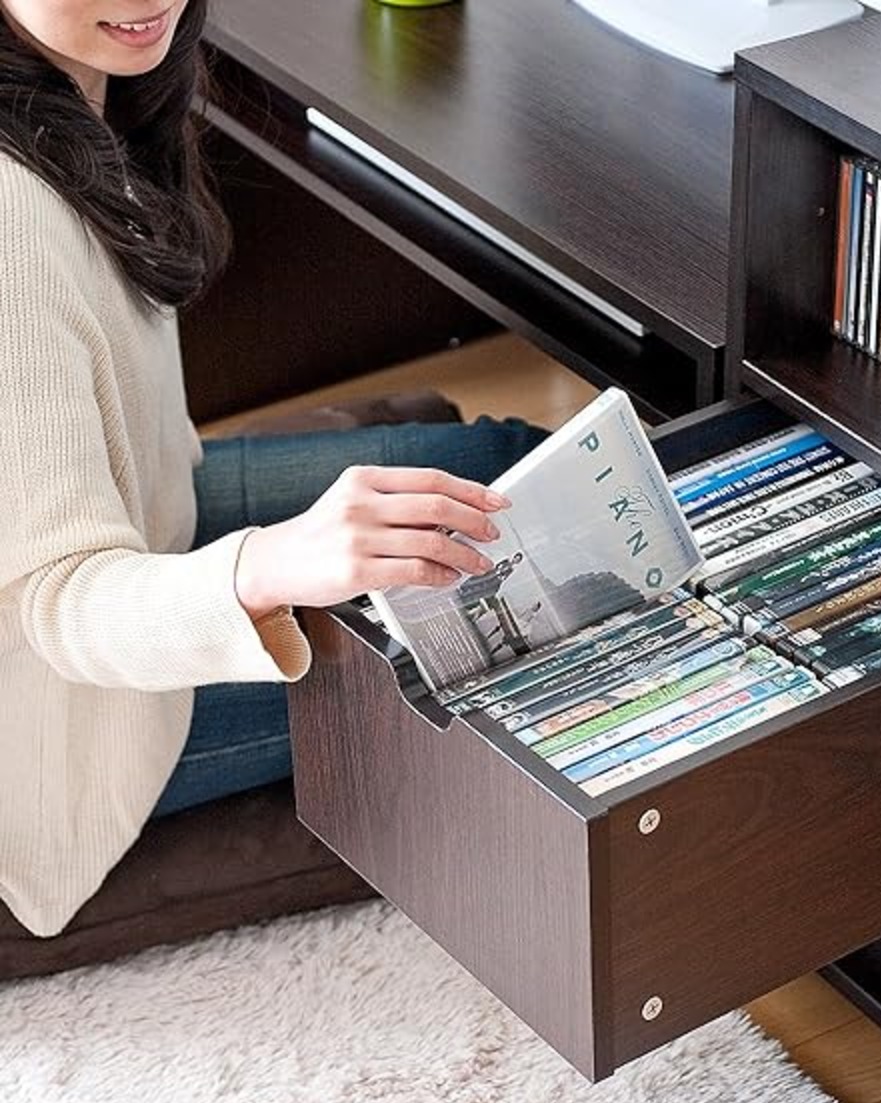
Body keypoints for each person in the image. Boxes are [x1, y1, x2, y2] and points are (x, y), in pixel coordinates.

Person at [0, 0, 544, 937]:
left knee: (512, 482)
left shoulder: (81, 94)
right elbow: (58, 605)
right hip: (52, 711)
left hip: (153, 506)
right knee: (471, 629)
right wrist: (271, 565)